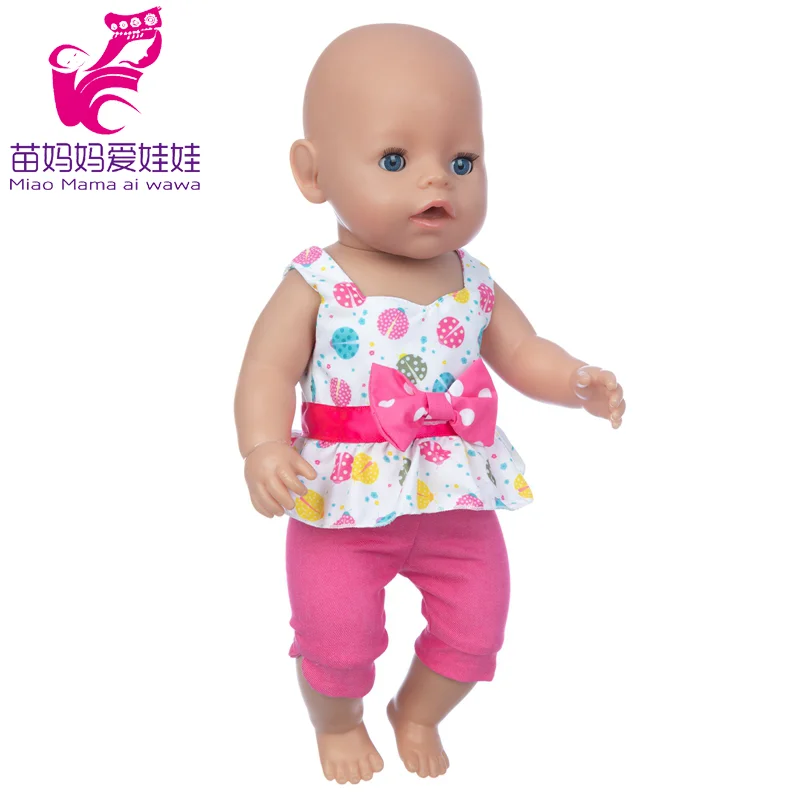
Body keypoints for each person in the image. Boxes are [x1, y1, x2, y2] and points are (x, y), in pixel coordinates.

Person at [234, 23, 626, 785]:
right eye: (395, 159)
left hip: (457, 499)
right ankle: (338, 721)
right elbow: (265, 370)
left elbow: (523, 351)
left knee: (477, 631)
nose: (436, 182)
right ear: (313, 174)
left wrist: (574, 380)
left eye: (462, 161)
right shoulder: (316, 282)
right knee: (335, 640)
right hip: (342, 502)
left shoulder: (473, 280)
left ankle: (417, 711)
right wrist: (263, 446)